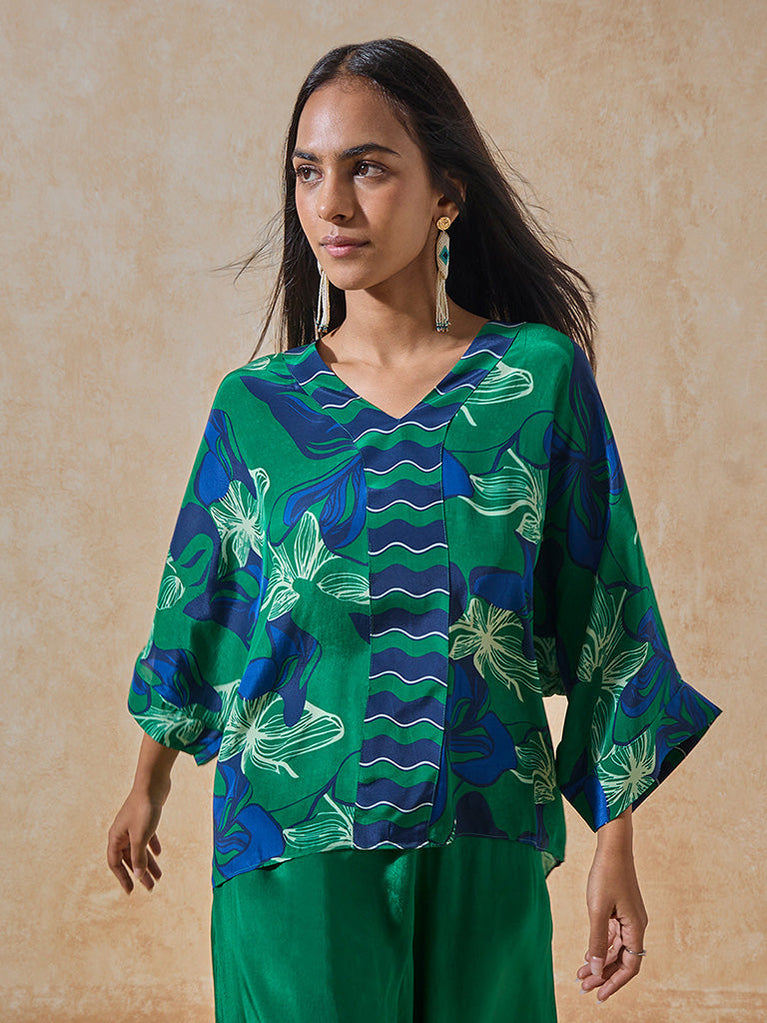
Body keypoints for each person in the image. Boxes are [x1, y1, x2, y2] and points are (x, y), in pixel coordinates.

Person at [107, 37, 722, 1023]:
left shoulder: (534, 380)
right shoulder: (255, 408)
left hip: (483, 827)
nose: (331, 204)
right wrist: (148, 782)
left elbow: (606, 608)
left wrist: (615, 845)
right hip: (289, 840)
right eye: (308, 172)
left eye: (368, 168)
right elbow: (200, 599)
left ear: (446, 195)